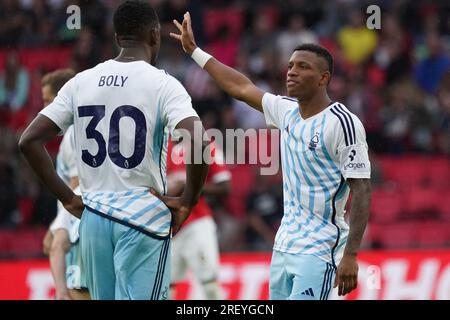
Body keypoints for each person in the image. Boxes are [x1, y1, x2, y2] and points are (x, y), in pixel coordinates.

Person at [170, 12, 372, 300]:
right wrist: (195, 52)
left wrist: (351, 254)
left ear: (323, 78)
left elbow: (362, 188)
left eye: (303, 67)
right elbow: (241, 87)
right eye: (290, 66)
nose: (291, 71)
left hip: (320, 248)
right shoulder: (285, 110)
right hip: (283, 245)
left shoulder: (343, 123)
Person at [19, 1, 209, 300]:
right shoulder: (163, 84)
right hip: (142, 217)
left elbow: (28, 140)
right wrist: (188, 201)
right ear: (155, 35)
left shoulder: (80, 82)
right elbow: (198, 140)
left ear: (117, 36)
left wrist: (68, 199)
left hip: (93, 219)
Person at [40, 68, 90, 300]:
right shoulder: (77, 130)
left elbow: (78, 185)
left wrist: (59, 227)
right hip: (83, 219)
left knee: (56, 246)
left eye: (49, 101)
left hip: (79, 220)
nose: (45, 108)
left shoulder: (74, 134)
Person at [167, 139, 230, 300]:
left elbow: (225, 187)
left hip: (196, 222)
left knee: (209, 283)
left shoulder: (204, 145)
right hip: (164, 226)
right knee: (164, 287)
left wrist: (188, 188)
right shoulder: (154, 144)